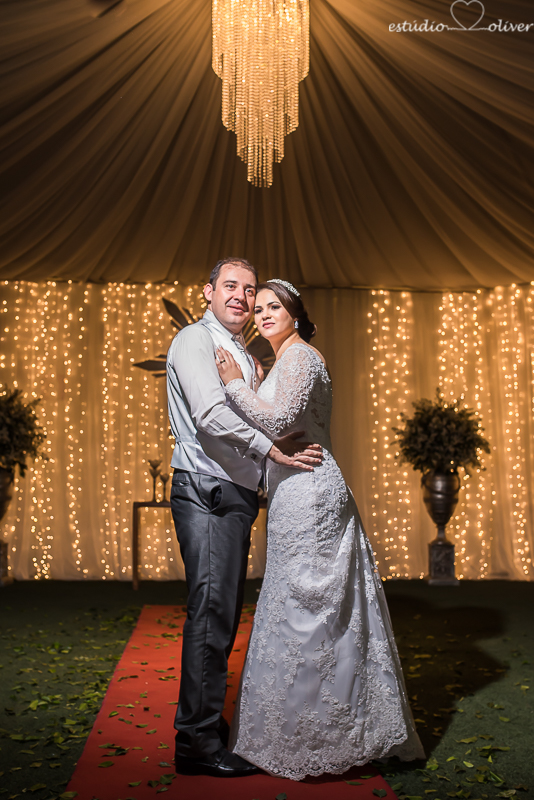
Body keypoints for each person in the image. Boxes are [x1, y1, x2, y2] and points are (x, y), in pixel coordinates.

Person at [215, 279, 425, 781]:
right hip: (293, 490)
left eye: (274, 307)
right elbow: (282, 413)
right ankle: (305, 726)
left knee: (312, 607)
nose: (264, 314)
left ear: (294, 312)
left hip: (311, 492)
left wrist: (234, 386)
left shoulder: (303, 357)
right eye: (259, 308)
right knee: (298, 603)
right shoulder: (286, 359)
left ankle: (325, 731)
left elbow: (284, 419)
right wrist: (259, 382)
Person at [166, 259, 323, 778]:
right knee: (212, 612)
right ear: (208, 291)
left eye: (249, 290)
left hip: (233, 492)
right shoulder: (194, 339)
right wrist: (272, 451)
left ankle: (206, 727)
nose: (240, 296)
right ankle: (197, 743)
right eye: (230, 286)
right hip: (207, 489)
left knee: (223, 612)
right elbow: (210, 414)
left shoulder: (244, 353)